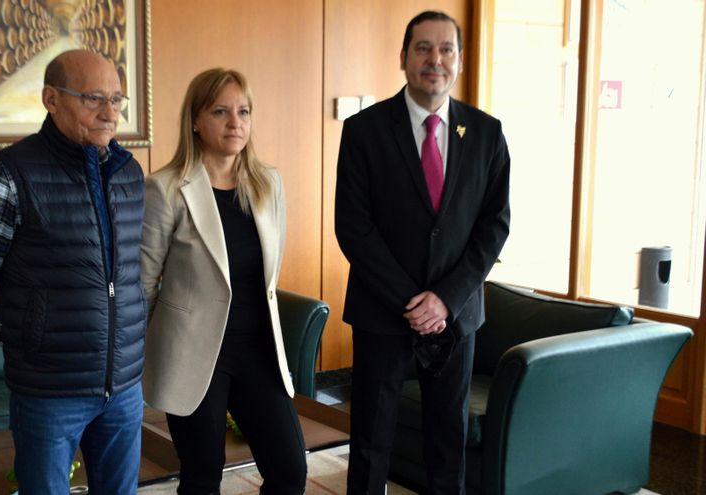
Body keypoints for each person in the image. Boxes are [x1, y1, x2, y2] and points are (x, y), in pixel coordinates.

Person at [0, 49, 146, 495]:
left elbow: (132, 275)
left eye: (117, 99)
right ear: (51, 99)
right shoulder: (6, 175)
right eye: (94, 98)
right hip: (49, 395)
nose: (109, 113)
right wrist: (30, 335)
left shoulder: (130, 172)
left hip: (125, 387)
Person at [335, 11, 511, 495]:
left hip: (455, 316)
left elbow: (494, 226)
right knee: (371, 440)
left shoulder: (487, 134)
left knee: (446, 439)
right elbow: (353, 227)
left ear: (457, 58)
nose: (435, 60)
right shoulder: (364, 131)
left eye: (446, 49)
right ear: (404, 58)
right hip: (381, 311)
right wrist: (412, 301)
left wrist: (445, 300)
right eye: (423, 49)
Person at [140, 68, 307, 495]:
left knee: (290, 469)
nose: (236, 122)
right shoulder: (166, 188)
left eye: (243, 111)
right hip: (194, 354)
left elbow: (269, 275)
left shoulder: (269, 183)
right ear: (195, 120)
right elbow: (143, 283)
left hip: (259, 350)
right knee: (202, 476)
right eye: (221, 111)